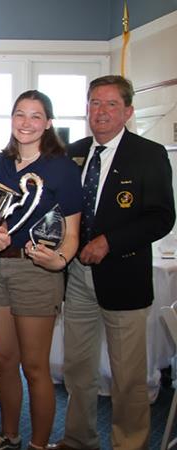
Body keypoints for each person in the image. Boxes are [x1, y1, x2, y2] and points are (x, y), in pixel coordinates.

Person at [51, 75, 175, 450]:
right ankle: (78, 439)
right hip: (76, 279)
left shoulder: (148, 154)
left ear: (128, 111)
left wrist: (110, 241)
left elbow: (161, 217)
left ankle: (130, 444)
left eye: (110, 105)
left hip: (124, 278)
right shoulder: (72, 151)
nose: (100, 112)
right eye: (94, 103)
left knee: (128, 375)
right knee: (78, 369)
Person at [0, 90, 82, 450]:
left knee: (34, 368)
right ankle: (10, 435)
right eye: (19, 114)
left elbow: (72, 232)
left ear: (48, 123)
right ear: (11, 120)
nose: (26, 123)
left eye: (35, 116)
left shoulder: (63, 168)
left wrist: (60, 260)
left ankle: (39, 445)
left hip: (37, 273)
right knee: (4, 360)